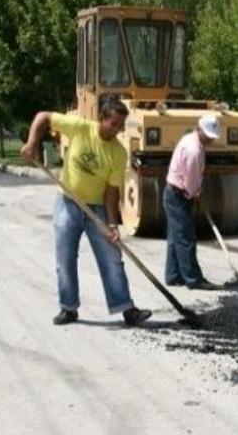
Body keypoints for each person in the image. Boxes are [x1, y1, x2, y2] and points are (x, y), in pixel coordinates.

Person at [20, 96, 152, 326]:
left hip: (97, 208)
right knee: (65, 258)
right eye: (114, 124)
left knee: (112, 257)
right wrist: (32, 143)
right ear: (102, 118)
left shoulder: (118, 153)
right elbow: (43, 116)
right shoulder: (80, 128)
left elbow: (111, 192)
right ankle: (68, 308)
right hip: (67, 203)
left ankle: (126, 308)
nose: (117, 130)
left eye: (121, 126)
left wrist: (112, 224)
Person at [163, 115, 222, 290]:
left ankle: (173, 275)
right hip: (178, 196)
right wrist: (195, 195)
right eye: (208, 135)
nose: (211, 139)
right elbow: (190, 182)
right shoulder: (193, 150)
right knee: (186, 239)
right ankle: (194, 279)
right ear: (199, 129)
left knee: (176, 237)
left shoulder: (190, 138)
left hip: (175, 193)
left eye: (212, 136)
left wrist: (195, 193)